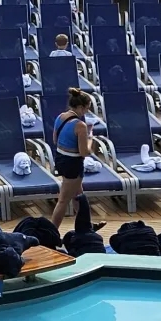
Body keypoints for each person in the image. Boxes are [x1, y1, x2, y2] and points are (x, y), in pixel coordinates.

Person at [49, 87, 94, 227]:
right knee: (63, 200)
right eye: (86, 108)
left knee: (78, 194)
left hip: (60, 159)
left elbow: (55, 140)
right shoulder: (80, 126)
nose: (87, 112)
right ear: (80, 107)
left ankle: (87, 225)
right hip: (73, 164)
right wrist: (90, 138)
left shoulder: (61, 117)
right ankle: (52, 232)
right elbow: (84, 152)